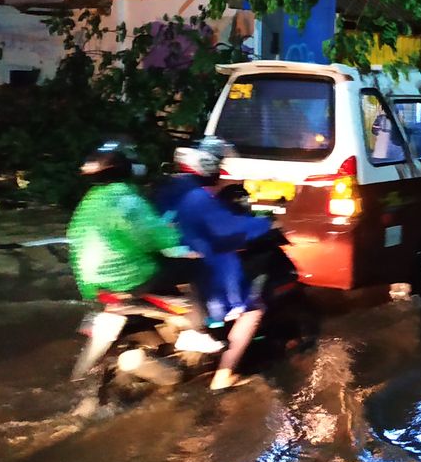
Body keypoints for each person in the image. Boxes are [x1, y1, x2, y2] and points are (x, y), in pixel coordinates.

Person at [67, 140, 223, 355]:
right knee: (194, 266)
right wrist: (179, 243)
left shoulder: (89, 202)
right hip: (128, 277)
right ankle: (195, 330)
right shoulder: (128, 200)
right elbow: (157, 237)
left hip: (91, 283)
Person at [154, 137, 275, 390]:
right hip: (201, 265)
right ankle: (224, 374)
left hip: (166, 263)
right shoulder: (198, 198)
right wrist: (266, 223)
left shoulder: (169, 188)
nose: (220, 170)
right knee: (253, 308)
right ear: (206, 164)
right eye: (218, 164)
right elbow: (227, 228)